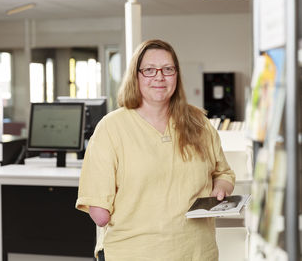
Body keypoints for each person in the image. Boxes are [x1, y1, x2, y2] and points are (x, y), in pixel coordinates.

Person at [75, 39, 236, 261]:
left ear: (177, 75)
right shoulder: (111, 128)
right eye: (149, 70)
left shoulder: (199, 123)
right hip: (134, 254)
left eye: (168, 69)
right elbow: (99, 214)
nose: (159, 77)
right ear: (136, 76)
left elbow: (223, 173)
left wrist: (221, 188)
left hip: (197, 253)